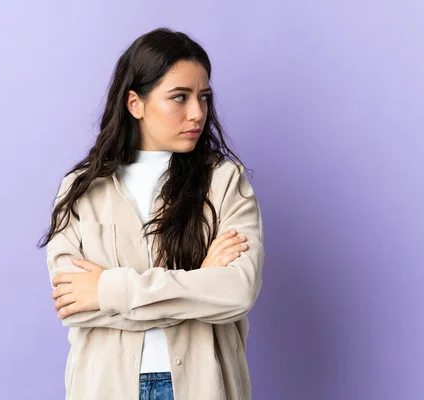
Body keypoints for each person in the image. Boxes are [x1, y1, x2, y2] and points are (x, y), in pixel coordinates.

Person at [38, 27, 264, 400]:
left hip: (203, 386)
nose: (197, 113)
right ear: (135, 104)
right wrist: (202, 282)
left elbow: (237, 291)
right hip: (106, 387)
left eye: (203, 97)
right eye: (180, 97)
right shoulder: (82, 189)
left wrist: (108, 290)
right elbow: (73, 305)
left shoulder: (224, 182)